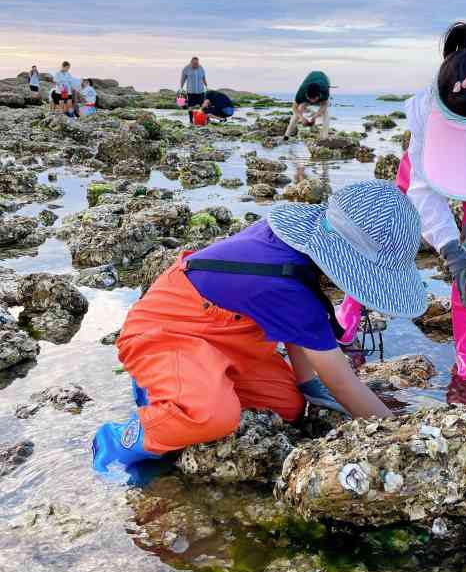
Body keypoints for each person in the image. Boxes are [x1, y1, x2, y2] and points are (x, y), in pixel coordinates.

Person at [92, 180, 427, 473]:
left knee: (287, 407)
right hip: (166, 330)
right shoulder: (287, 289)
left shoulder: (294, 249)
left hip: (231, 340)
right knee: (210, 416)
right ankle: (120, 438)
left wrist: (309, 384)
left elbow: (299, 332)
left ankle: (191, 387)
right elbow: (342, 383)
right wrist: (404, 437)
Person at [336, 18, 466, 401]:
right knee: (390, 232)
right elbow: (421, 189)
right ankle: (348, 314)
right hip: (441, 158)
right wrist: (449, 246)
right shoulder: (426, 108)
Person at [284, 71, 330, 139]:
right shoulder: (301, 92)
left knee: (326, 113)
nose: (312, 102)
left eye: (314, 100)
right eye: (310, 99)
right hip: (309, 81)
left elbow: (324, 105)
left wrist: (315, 116)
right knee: (299, 109)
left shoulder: (324, 90)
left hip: (324, 79)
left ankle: (325, 137)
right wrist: (302, 118)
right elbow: (294, 107)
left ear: (319, 96)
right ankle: (286, 136)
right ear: (306, 95)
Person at [179, 56, 208, 121]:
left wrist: (206, 86)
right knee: (190, 106)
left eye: (197, 64)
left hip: (200, 91)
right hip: (191, 92)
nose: (196, 65)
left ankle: (206, 120)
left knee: (203, 106)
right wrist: (181, 88)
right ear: (191, 63)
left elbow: (203, 78)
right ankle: (191, 120)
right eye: (194, 64)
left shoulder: (201, 68)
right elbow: (183, 79)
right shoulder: (186, 69)